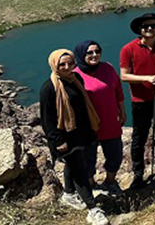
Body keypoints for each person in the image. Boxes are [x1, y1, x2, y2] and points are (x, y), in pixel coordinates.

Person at [40, 49, 109, 225]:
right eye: (62, 64)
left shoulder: (76, 79)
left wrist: (91, 130)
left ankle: (69, 194)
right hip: (65, 138)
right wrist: (58, 141)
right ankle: (93, 209)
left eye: (71, 63)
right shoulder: (49, 88)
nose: (67, 67)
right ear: (54, 65)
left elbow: (83, 107)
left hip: (81, 134)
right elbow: (47, 119)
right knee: (80, 171)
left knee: (74, 165)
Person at [119, 12, 155, 188]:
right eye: (145, 26)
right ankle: (138, 172)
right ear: (139, 30)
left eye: (153, 25)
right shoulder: (128, 49)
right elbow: (124, 76)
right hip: (141, 100)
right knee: (139, 137)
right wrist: (147, 78)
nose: (150, 29)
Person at [73, 40, 126, 196]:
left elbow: (118, 90)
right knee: (88, 160)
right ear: (81, 54)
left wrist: (122, 111)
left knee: (115, 155)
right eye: (89, 52)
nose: (94, 55)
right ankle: (92, 186)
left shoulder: (108, 68)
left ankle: (110, 182)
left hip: (110, 121)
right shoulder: (75, 75)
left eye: (97, 51)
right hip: (89, 126)